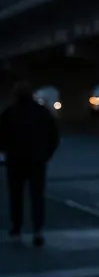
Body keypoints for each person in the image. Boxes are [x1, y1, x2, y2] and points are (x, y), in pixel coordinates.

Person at [0, 82, 60, 247]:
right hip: (37, 161)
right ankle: (38, 231)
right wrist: (46, 155)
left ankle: (16, 230)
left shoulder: (9, 112)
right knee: (37, 197)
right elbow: (54, 136)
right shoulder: (42, 112)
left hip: (15, 161)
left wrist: (6, 152)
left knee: (16, 197)